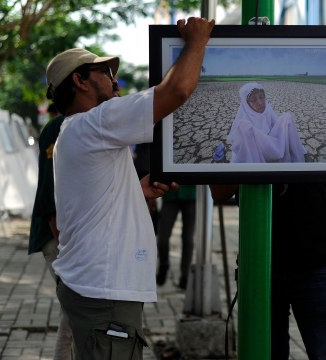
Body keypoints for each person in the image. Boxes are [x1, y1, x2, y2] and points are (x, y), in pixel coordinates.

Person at [46, 17, 214, 359]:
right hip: (103, 292)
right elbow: (176, 91)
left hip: (96, 288)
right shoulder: (96, 122)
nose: (115, 82)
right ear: (79, 81)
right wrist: (196, 42)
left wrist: (136, 191)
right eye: (105, 74)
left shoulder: (74, 132)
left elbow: (91, 204)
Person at [210, 183, 326, 359]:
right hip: (259, 263)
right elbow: (219, 191)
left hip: (314, 256)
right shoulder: (241, 153)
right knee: (265, 352)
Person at [28, 106, 72, 360]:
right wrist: (64, 242)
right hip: (57, 236)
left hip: (68, 236)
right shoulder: (58, 127)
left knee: (74, 312)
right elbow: (49, 190)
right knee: (73, 312)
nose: (114, 86)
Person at [227, 82, 306, 163]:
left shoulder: (267, 109)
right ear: (246, 104)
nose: (260, 102)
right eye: (253, 100)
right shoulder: (244, 120)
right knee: (244, 127)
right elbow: (239, 147)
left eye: (261, 97)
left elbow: (276, 126)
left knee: (287, 117)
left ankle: (294, 152)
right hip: (258, 150)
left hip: (271, 143)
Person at [156, 185, 196, 289]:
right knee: (162, 238)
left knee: (188, 238)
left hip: (191, 194)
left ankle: (185, 275)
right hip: (170, 194)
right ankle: (164, 264)